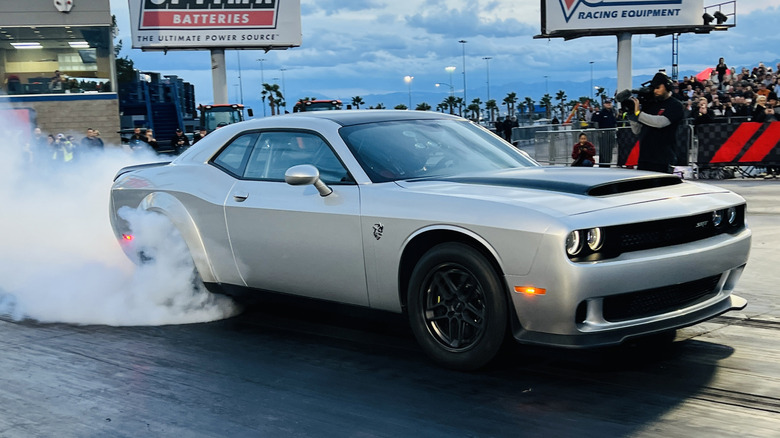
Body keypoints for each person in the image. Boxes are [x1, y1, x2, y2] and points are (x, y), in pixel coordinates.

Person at [627, 71, 685, 173]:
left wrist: (638, 114)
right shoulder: (650, 104)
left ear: (667, 87)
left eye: (658, 87)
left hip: (663, 158)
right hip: (645, 158)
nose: (655, 91)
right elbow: (637, 130)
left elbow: (660, 122)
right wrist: (632, 115)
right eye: (654, 88)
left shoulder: (675, 105)